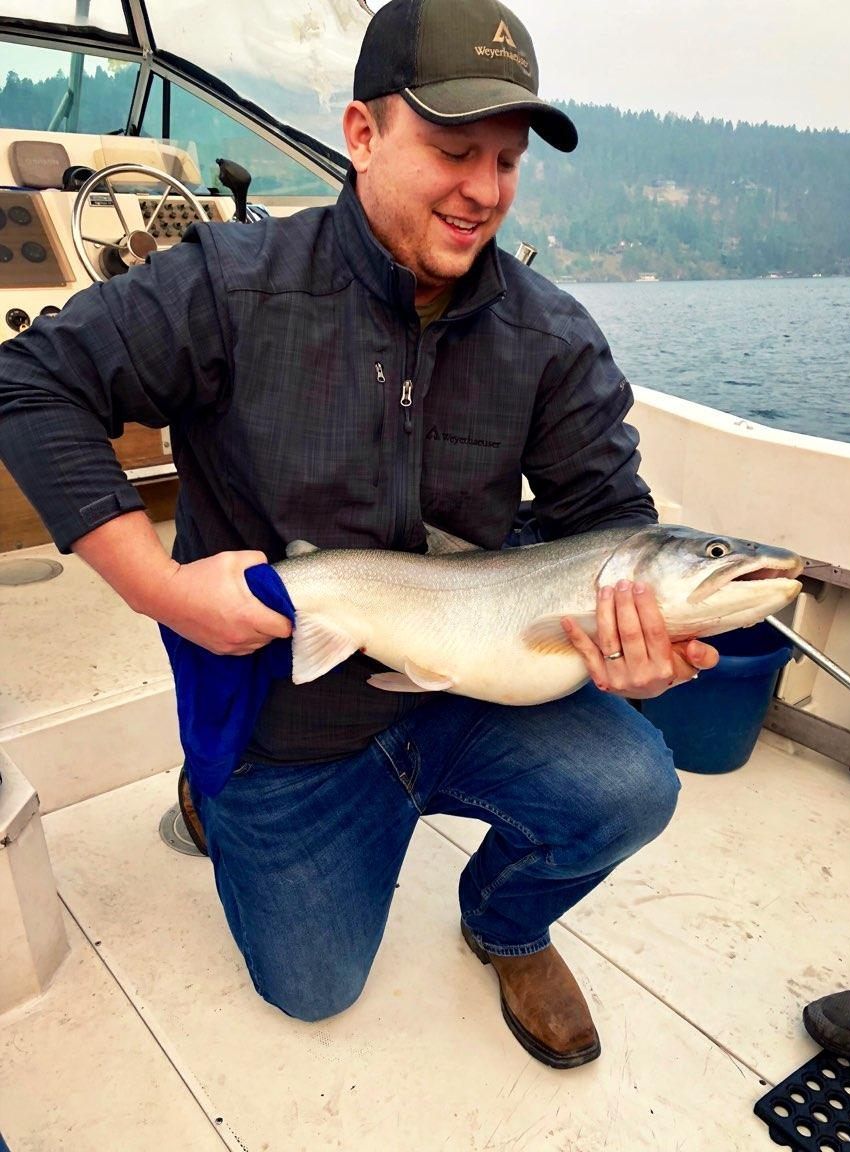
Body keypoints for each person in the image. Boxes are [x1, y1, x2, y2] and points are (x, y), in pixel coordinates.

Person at [0, 0, 718, 1069]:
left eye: (508, 160)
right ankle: (216, 786)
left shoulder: (552, 336)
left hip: (479, 687)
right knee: (312, 991)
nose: (484, 190)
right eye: (453, 148)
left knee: (633, 786)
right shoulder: (227, 285)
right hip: (292, 719)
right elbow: (31, 382)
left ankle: (507, 925)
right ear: (363, 132)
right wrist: (160, 587)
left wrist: (638, 646)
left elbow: (610, 527)